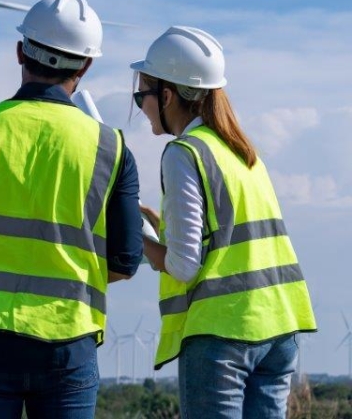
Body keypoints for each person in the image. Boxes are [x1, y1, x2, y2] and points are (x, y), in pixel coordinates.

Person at [0, 0, 142, 418]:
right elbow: (125, 262)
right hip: (67, 343)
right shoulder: (111, 147)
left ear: (20, 51)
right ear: (87, 65)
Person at [133, 26, 315, 418]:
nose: (141, 106)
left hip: (225, 333)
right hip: (279, 325)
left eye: (141, 94)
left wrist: (135, 235)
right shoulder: (244, 153)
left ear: (167, 95)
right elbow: (227, 236)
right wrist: (161, 226)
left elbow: (184, 265)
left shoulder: (184, 153)